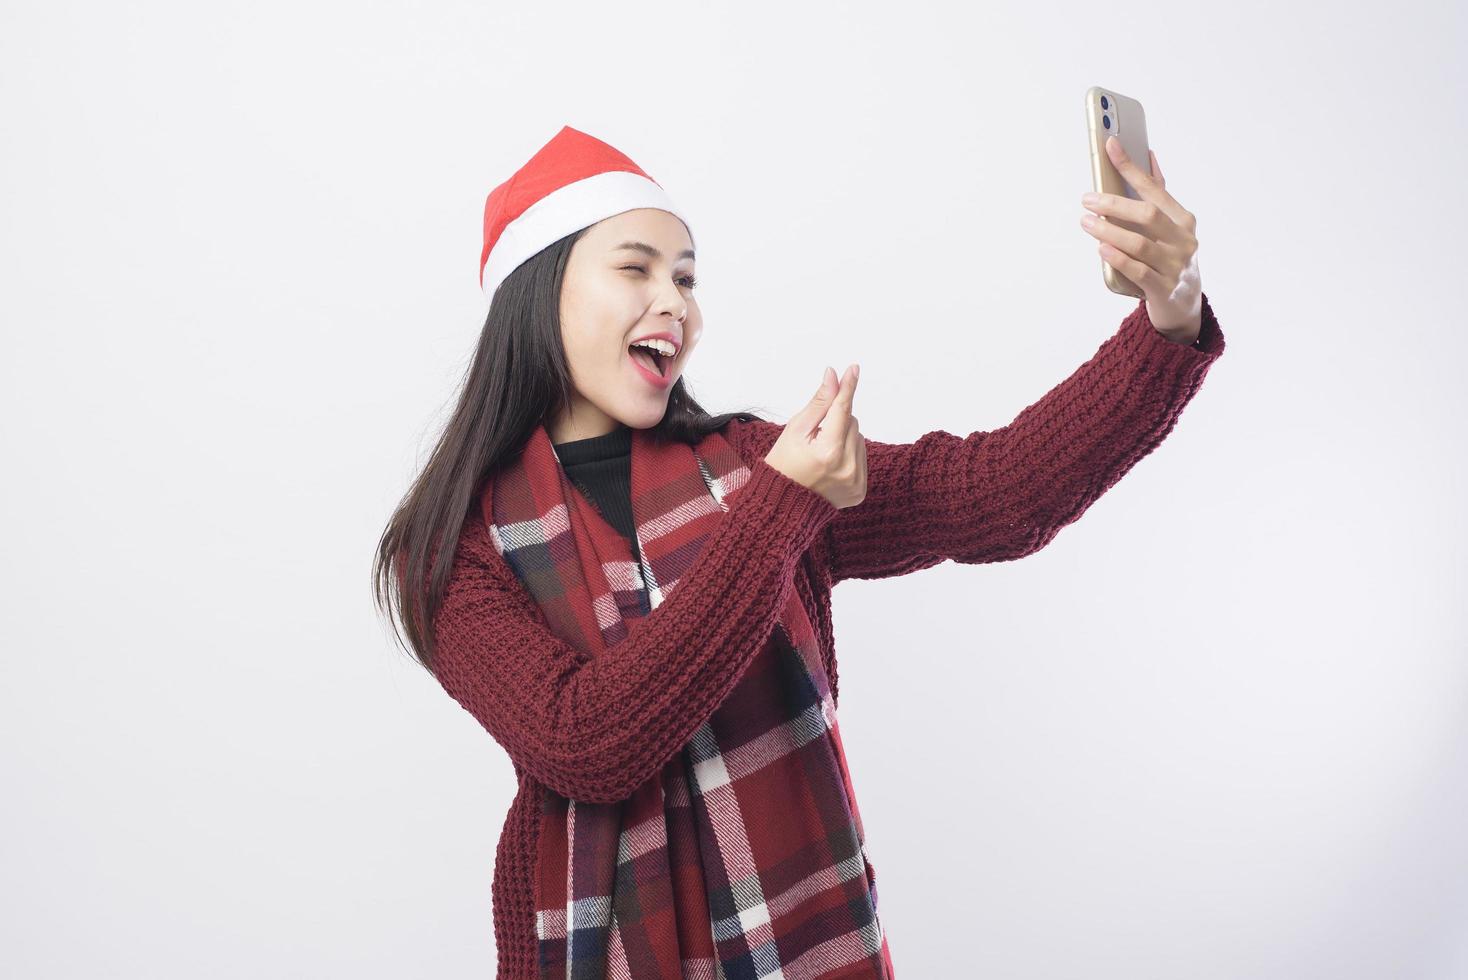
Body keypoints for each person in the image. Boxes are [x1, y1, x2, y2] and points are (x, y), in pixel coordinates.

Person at [372, 124, 1225, 979]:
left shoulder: (752, 465)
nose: (676, 303)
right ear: (540, 292)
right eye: (635, 269)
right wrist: (783, 507)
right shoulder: (450, 547)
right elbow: (588, 742)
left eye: (686, 278)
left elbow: (992, 492)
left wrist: (1170, 320)